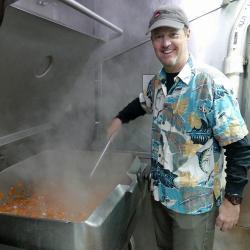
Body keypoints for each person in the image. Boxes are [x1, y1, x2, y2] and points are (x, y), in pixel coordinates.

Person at [107, 4, 250, 250]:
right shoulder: (158, 82)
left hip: (194, 206)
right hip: (161, 196)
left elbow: (240, 147)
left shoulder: (211, 84)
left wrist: (233, 201)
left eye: (172, 34)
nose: (165, 43)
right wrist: (119, 118)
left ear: (187, 34)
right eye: (158, 36)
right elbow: (142, 103)